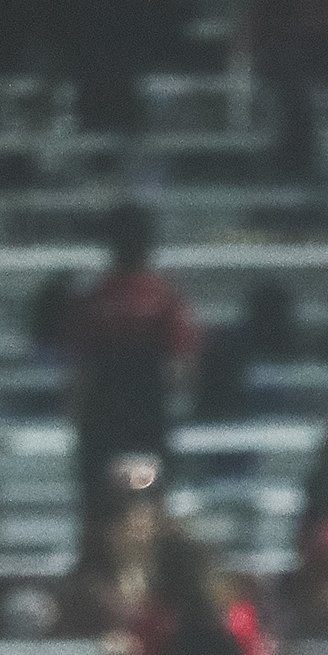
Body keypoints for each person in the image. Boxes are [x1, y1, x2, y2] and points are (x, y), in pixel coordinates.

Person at [66, 206, 196, 512]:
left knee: (102, 502)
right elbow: (180, 366)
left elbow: (79, 370)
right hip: (145, 416)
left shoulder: (95, 299)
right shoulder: (165, 299)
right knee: (147, 501)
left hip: (105, 417)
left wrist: (77, 413)